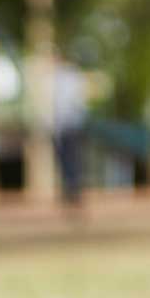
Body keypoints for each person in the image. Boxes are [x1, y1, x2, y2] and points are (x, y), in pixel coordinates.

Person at [52, 57, 88, 206]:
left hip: (68, 124)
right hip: (67, 124)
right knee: (68, 159)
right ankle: (71, 190)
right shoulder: (70, 77)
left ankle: (73, 191)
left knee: (70, 159)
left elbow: (69, 103)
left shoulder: (66, 77)